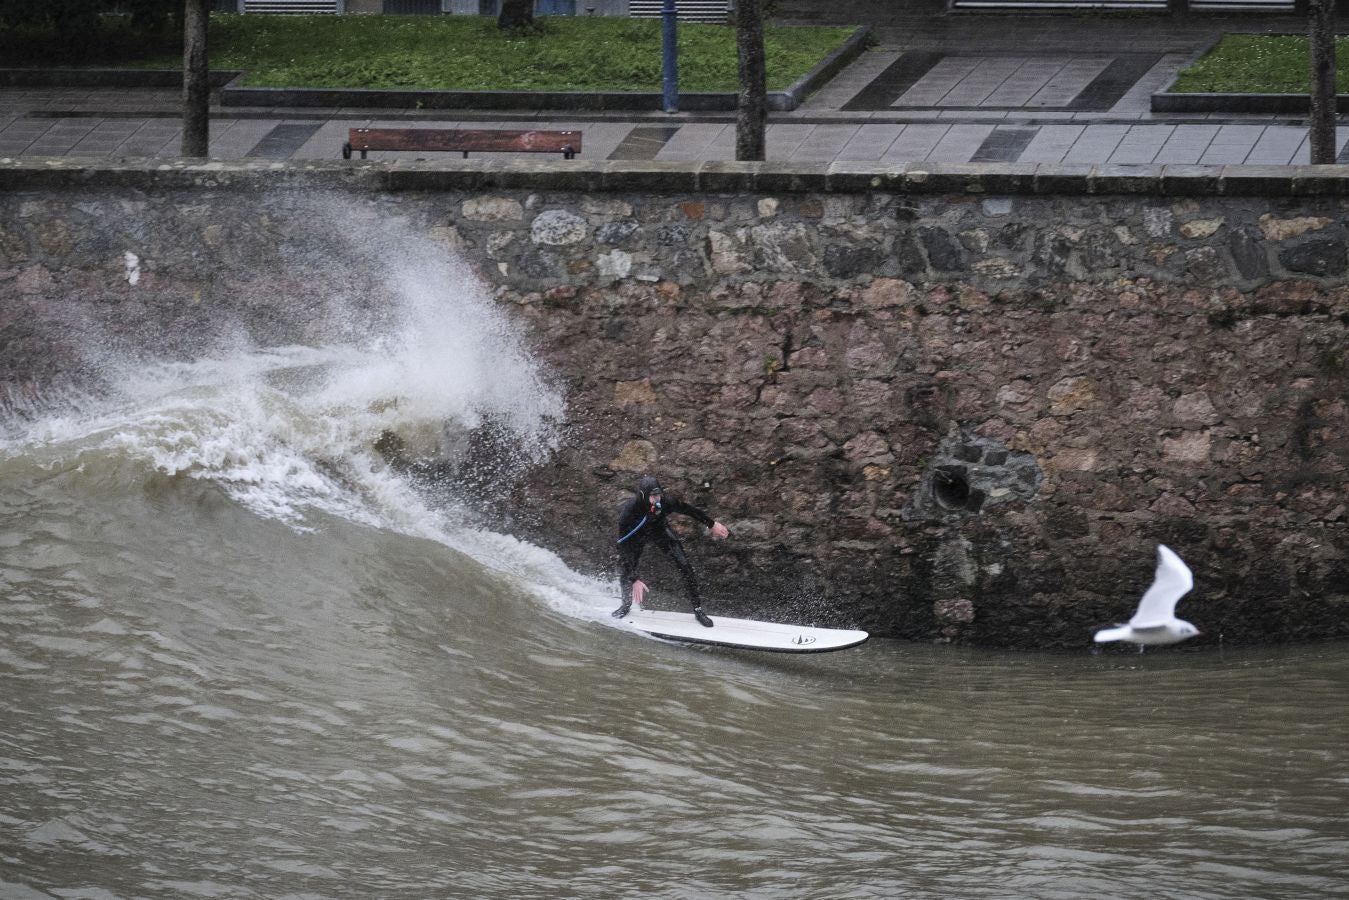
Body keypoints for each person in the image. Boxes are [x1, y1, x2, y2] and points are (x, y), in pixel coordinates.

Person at [612, 474, 729, 627]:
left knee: (685, 567)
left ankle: (698, 609)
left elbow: (688, 509)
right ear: (643, 495)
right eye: (653, 496)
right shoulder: (629, 511)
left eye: (659, 494)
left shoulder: (665, 501)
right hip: (635, 536)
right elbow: (623, 546)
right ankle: (625, 605)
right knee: (627, 569)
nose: (657, 499)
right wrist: (635, 579)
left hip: (659, 531)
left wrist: (711, 524)